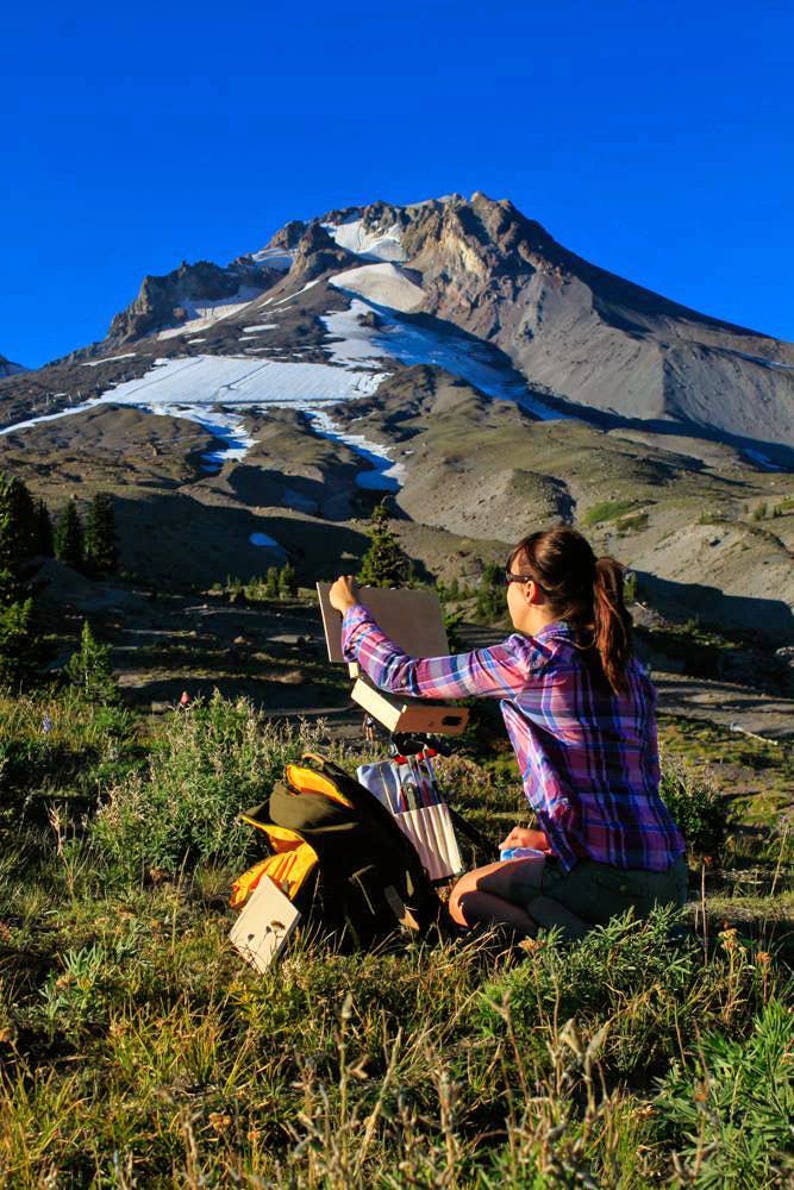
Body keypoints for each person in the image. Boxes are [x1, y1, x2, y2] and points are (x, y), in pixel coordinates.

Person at [329, 527, 687, 939]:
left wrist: (351, 610)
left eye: (508, 581)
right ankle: (601, 925)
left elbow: (400, 674)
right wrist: (555, 839)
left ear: (530, 590)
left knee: (463, 898)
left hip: (607, 881)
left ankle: (575, 942)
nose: (507, 592)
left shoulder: (530, 660)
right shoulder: (628, 669)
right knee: (516, 852)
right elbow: (638, 782)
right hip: (670, 880)